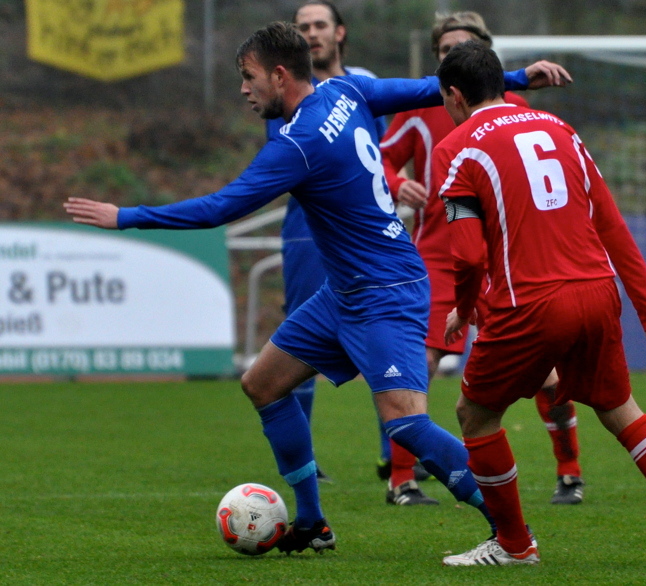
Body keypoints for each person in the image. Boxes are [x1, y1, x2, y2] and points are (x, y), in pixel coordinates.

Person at [64, 23, 562, 557]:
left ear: (280, 76)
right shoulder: (345, 92)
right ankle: (312, 522)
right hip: (344, 292)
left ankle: (512, 535)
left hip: (386, 291)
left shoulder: (299, 144)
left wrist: (128, 216)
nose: (243, 89)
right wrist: (515, 79)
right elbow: (425, 86)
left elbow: (221, 207)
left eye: (248, 77)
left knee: (407, 423)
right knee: (262, 384)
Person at [431, 41, 646, 566]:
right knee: (621, 412)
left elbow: (469, 255)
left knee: (474, 414)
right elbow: (611, 225)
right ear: (503, 82)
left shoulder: (455, 146)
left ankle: (516, 546)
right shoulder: (559, 129)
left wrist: (466, 306)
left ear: (453, 95)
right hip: (597, 292)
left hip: (531, 301)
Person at [380, 11, 585, 505]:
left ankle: (570, 471)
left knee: (549, 376)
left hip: (503, 261)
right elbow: (382, 157)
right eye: (446, 49)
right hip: (435, 254)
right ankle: (401, 479)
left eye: (464, 47)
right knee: (419, 363)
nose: (454, 55)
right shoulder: (419, 110)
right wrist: (395, 182)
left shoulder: (514, 110)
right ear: (436, 62)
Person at [271, 0, 390, 487]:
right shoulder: (287, 92)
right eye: (302, 28)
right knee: (300, 345)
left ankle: (397, 458)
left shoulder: (362, 83)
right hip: (306, 233)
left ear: (339, 32)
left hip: (363, 235)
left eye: (319, 25)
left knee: (382, 338)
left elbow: (385, 154)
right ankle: (307, 461)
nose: (312, 33)